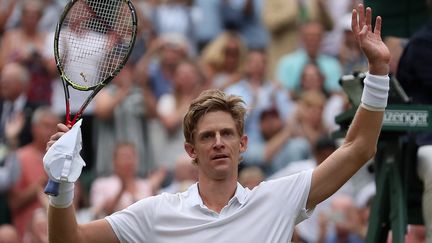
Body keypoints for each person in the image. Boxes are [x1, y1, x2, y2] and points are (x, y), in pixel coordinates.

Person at [43, 4, 391, 242]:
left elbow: (359, 147)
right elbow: (68, 238)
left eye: (227, 133)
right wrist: (60, 184)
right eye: (208, 136)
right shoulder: (157, 212)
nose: (219, 141)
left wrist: (377, 72)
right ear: (191, 151)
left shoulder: (278, 199)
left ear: (243, 144)